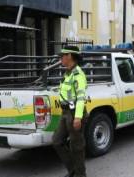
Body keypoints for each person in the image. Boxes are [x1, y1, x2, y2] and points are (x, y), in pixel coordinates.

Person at [53, 46, 88, 177]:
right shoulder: (68, 73)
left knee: (77, 147)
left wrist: (78, 117)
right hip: (65, 113)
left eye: (63, 55)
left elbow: (80, 98)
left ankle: (80, 174)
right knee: (57, 141)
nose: (61, 58)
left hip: (75, 114)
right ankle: (73, 169)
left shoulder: (78, 75)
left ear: (70, 56)